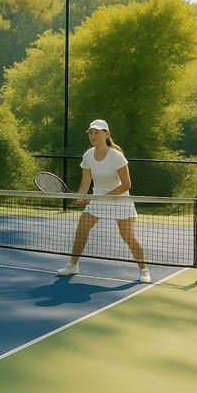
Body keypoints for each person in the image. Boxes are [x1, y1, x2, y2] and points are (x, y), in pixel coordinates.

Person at [56, 119, 151, 283]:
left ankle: (144, 270)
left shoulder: (116, 156)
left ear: (106, 134)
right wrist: (82, 196)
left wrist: (106, 196)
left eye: (97, 132)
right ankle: (72, 265)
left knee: (128, 236)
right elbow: (85, 182)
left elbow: (127, 184)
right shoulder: (87, 155)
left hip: (120, 200)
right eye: (90, 132)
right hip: (98, 199)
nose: (93, 135)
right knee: (81, 230)